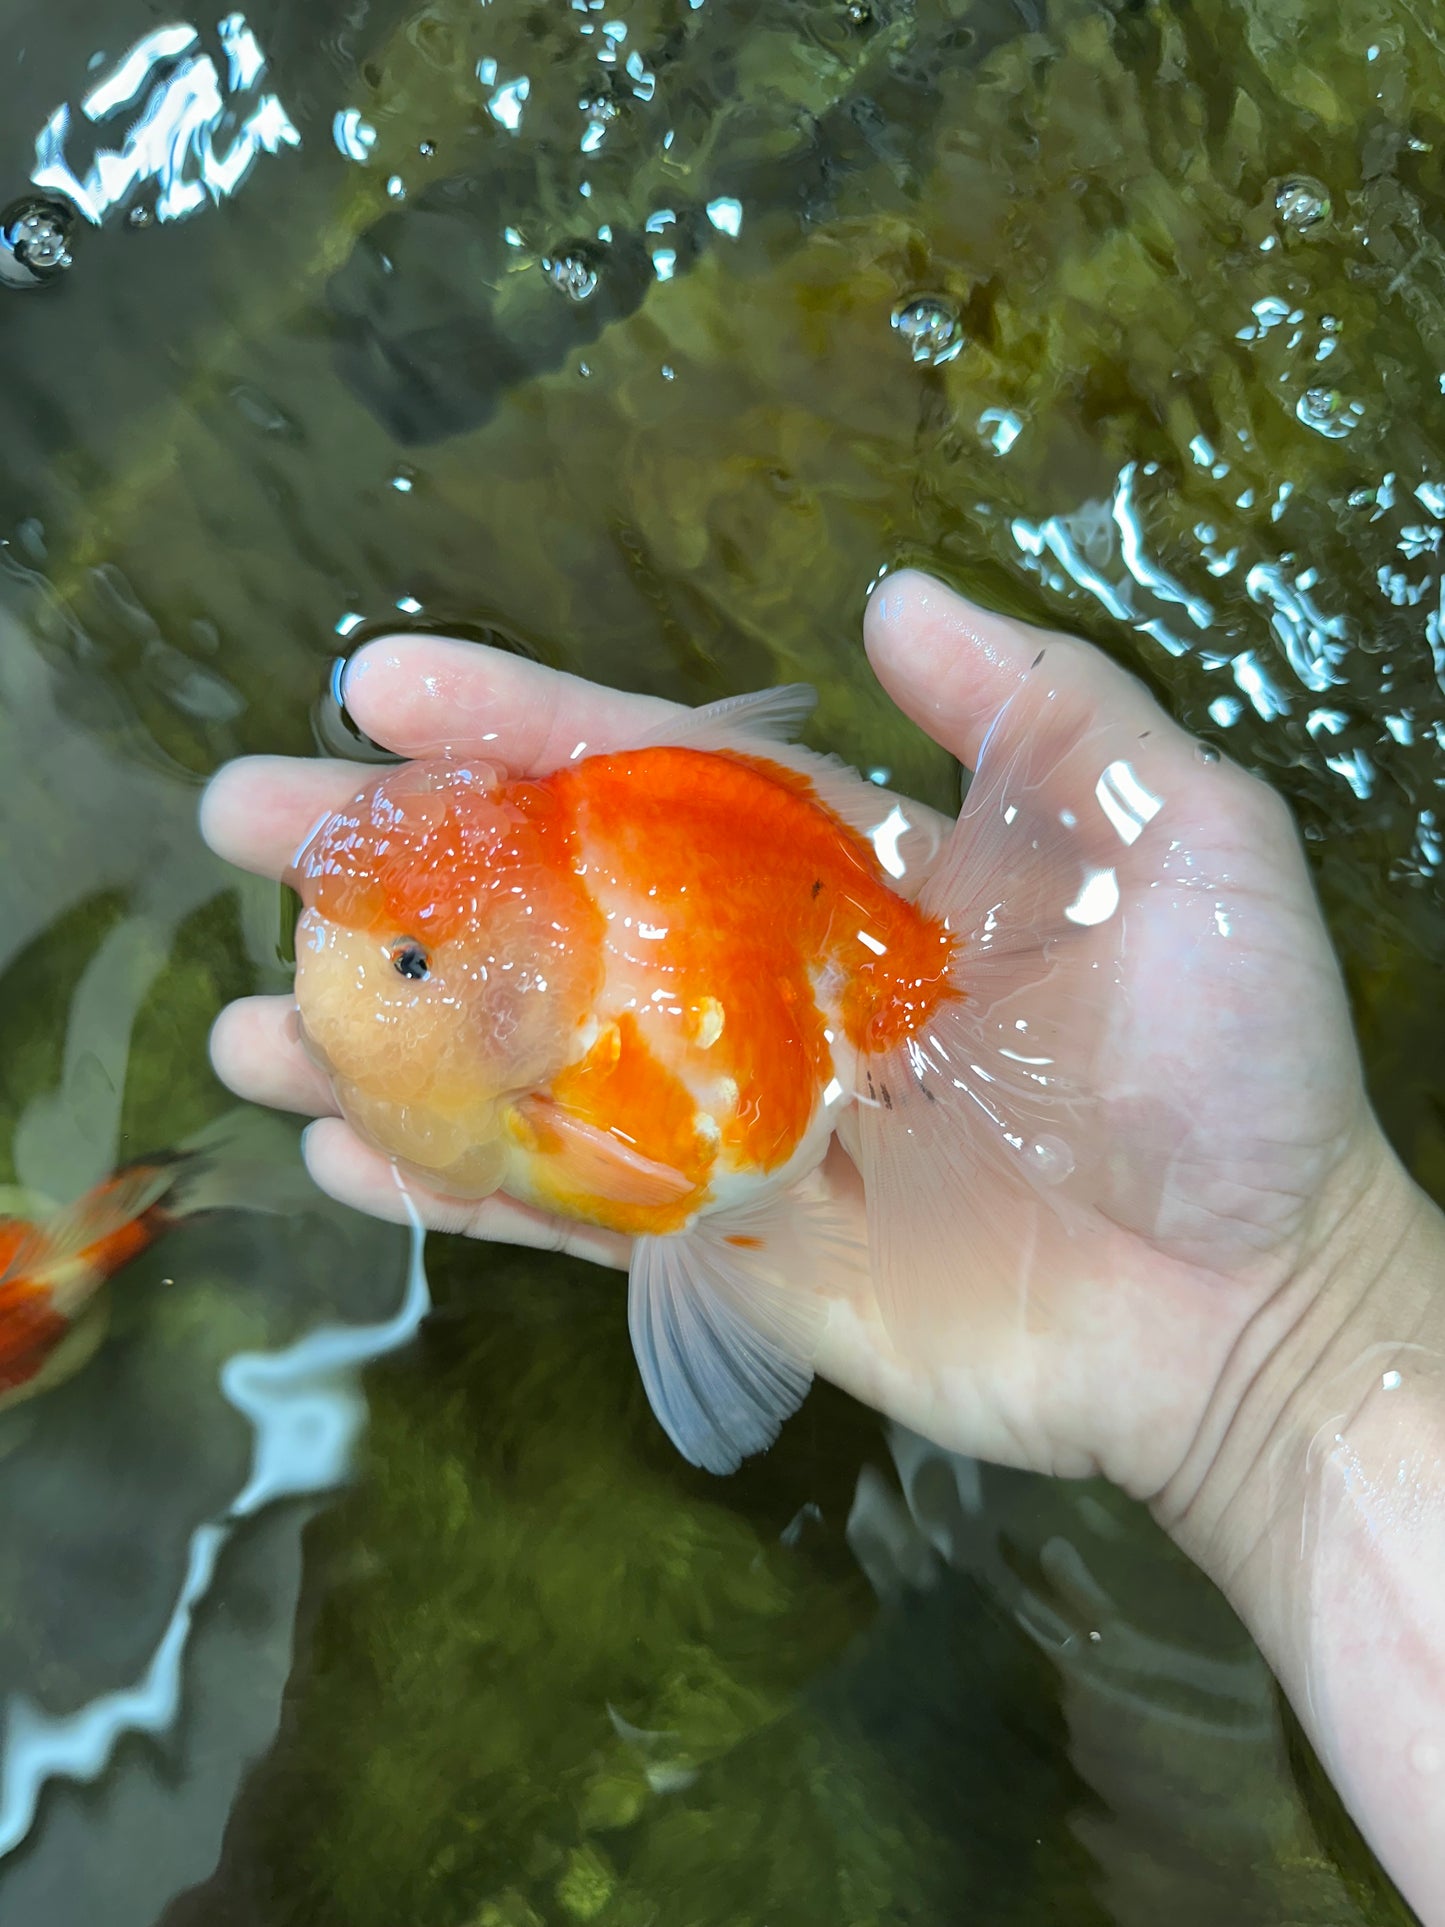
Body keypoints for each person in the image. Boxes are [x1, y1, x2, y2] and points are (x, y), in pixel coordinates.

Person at [200, 569, 1445, 1923]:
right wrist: (1294, 1349)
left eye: (406, 967)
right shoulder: (533, 964)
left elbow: (657, 1177)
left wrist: (1294, 1329)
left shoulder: (577, 1048)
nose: (347, 977)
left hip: (804, 1043)